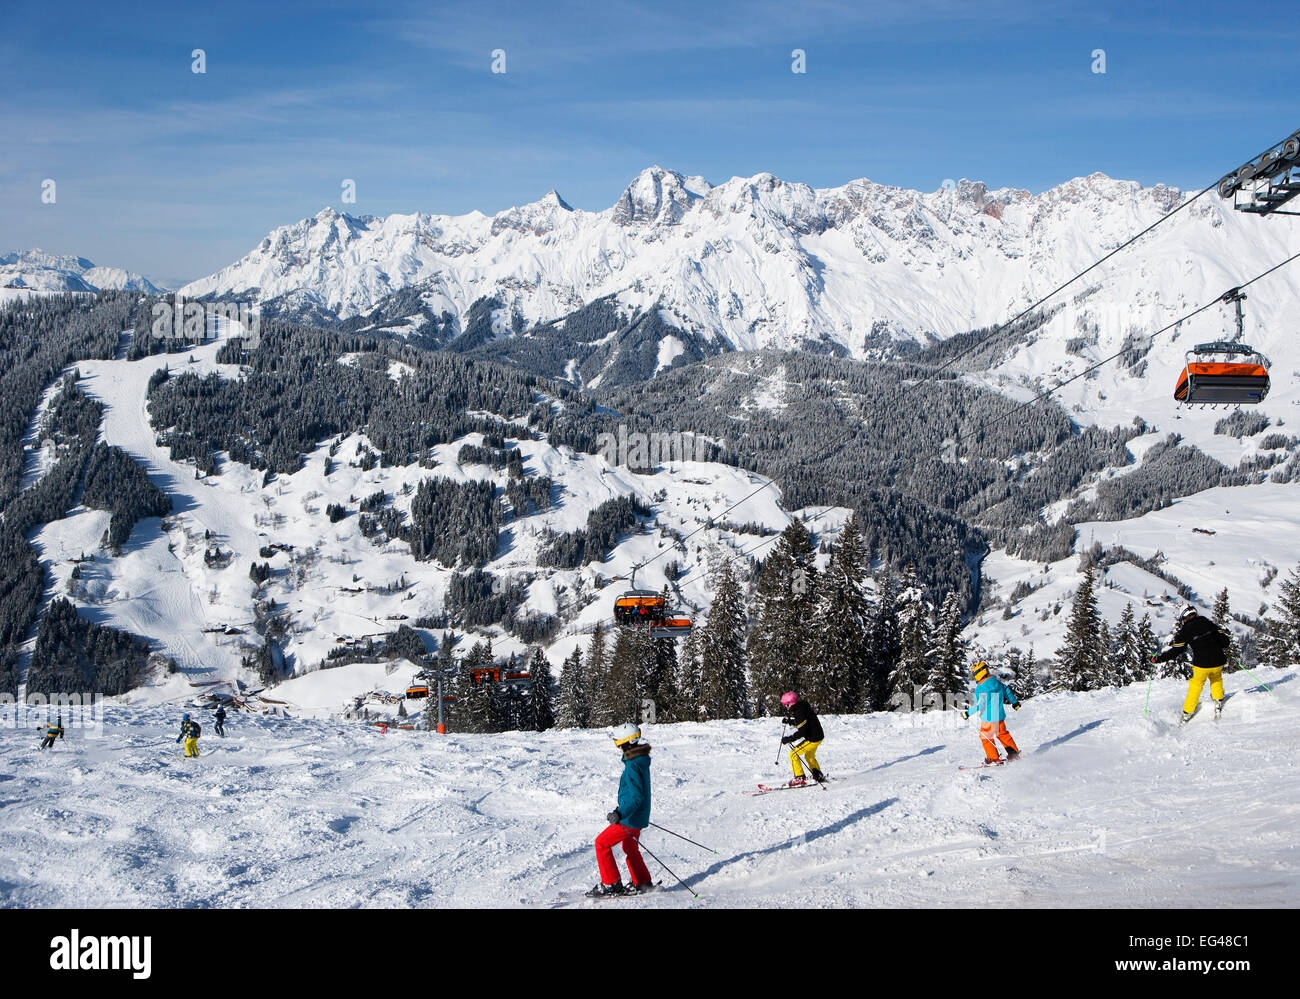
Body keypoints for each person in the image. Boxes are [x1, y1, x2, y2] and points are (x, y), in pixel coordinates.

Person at [587, 723, 653, 898]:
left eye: (619, 743)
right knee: (630, 847)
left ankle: (611, 884)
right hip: (637, 816)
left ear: (625, 743)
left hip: (630, 818)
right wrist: (620, 809)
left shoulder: (633, 765)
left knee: (601, 843)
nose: (618, 747)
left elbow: (636, 797)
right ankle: (643, 882)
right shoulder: (640, 760)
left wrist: (620, 814)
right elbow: (637, 795)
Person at [1154, 604, 1232, 722]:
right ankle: (1218, 701)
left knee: (1195, 686)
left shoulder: (1184, 631)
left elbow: (1176, 650)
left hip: (1202, 664)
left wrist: (1159, 659)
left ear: (1183, 618)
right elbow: (1225, 641)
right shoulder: (1207, 622)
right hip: (1218, 660)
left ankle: (1187, 713)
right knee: (1216, 678)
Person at [964, 661, 1021, 763]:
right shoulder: (997, 682)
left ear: (979, 673)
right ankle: (1014, 754)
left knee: (986, 737)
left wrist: (967, 713)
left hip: (988, 718)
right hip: (999, 716)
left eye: (974, 673)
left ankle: (993, 758)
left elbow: (979, 705)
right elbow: (1007, 691)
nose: (974, 676)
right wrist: (1015, 703)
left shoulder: (980, 688)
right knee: (1003, 734)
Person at [780, 691, 825, 786]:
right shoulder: (802, 707)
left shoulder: (798, 712)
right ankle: (818, 774)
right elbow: (804, 723)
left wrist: (789, 739)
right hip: (818, 735)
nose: (785, 707)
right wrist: (790, 722)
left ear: (789, 704)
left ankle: (799, 777)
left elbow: (802, 731)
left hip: (813, 738)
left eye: (785, 705)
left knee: (793, 754)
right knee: (809, 756)